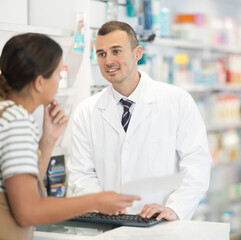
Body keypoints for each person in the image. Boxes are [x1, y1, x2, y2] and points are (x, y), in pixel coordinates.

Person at [0, 33, 140, 240]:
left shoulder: (6, 113)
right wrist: (97, 200)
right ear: (39, 82)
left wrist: (48, 140)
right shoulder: (16, 119)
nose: (58, 81)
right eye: (58, 74)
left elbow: (25, 188)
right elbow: (28, 211)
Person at [67, 21, 212, 221]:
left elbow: (196, 164)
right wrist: (100, 203)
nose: (108, 61)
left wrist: (176, 208)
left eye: (116, 51)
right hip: (108, 226)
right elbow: (81, 174)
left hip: (162, 226)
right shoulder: (86, 111)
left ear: (138, 53)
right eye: (101, 54)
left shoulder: (177, 100)